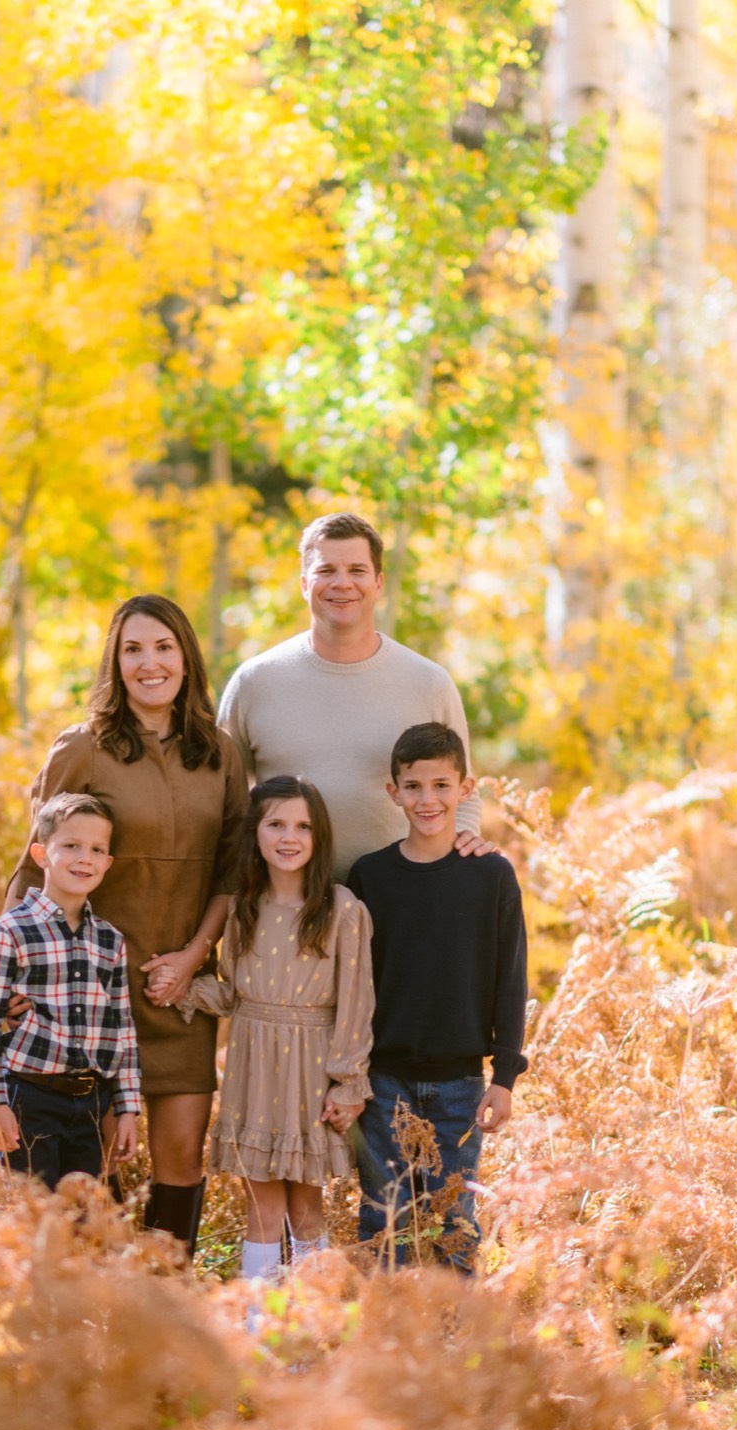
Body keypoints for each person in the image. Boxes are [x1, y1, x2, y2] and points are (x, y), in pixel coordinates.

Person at [5, 595, 249, 1251]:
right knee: (92, 1166)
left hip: (177, 991)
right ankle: (93, 1298)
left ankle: (166, 1293)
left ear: (186, 658)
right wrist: (13, 976)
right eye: (133, 649)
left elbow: (232, 871)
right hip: (88, 993)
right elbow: (34, 868)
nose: (150, 663)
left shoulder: (220, 753)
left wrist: (193, 957)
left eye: (163, 647)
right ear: (115, 663)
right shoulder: (82, 748)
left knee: (181, 1158)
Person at [219, 511, 489, 881]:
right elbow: (226, 800)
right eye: (326, 570)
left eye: (357, 570)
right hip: (286, 900)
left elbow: (463, 795)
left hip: (398, 899)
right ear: (304, 583)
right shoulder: (255, 682)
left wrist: (462, 850)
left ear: (378, 583)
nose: (342, 583)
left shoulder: (428, 682)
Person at [346, 722, 527, 1270]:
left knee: (454, 1223)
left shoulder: (491, 876)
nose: (428, 799)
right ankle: (387, 1323)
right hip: (383, 1083)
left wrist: (504, 1076)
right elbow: (352, 986)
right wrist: (349, 1073)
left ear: (465, 790)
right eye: (414, 786)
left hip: (460, 1085)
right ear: (393, 792)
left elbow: (511, 979)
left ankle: (459, 1326)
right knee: (385, 1220)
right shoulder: (370, 876)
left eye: (442, 785)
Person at [177, 776, 374, 1281]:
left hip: (311, 1074)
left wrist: (349, 1083)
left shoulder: (341, 909)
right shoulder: (243, 908)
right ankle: (259, 1321)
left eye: (303, 826)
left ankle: (311, 1317)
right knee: (261, 1205)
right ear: (255, 833)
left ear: (319, 835)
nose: (290, 837)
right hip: (253, 1071)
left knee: (306, 1205)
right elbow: (235, 994)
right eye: (276, 824)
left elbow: (357, 1003)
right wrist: (182, 987)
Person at [0, 792, 141, 1191]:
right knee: (34, 1212)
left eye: (97, 849)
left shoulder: (110, 940)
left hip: (91, 1103)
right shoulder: (9, 931)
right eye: (71, 846)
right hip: (30, 1097)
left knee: (82, 1212)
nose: (85, 858)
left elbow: (123, 1028)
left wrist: (128, 1108)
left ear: (107, 862)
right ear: (41, 854)